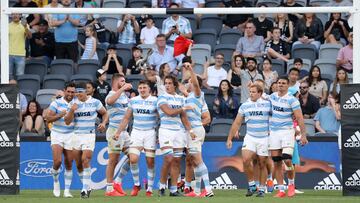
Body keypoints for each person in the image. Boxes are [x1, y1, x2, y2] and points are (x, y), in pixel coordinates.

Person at [114, 80, 158, 197]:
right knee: (133, 159)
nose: (142, 90)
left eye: (144, 88)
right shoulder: (133, 101)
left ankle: (149, 189)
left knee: (150, 162)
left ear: (149, 89)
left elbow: (161, 118)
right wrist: (118, 132)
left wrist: (159, 134)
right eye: (140, 88)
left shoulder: (155, 101)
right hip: (136, 132)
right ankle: (137, 184)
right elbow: (126, 118)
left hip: (150, 133)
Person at [64, 82, 108, 199]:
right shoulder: (73, 103)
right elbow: (67, 122)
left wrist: (103, 123)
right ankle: (87, 186)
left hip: (89, 135)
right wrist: (72, 111)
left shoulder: (95, 102)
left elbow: (104, 113)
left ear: (86, 92)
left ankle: (84, 189)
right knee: (78, 164)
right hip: (76, 135)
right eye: (76, 92)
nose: (78, 94)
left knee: (85, 160)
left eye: (80, 92)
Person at [227, 84, 271, 197]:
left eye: (253, 92)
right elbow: (237, 122)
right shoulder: (245, 106)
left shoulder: (267, 104)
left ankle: (262, 189)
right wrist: (229, 138)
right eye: (250, 91)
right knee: (246, 160)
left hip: (264, 138)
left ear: (260, 93)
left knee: (262, 164)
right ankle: (252, 186)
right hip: (250, 136)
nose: (251, 93)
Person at [269, 76, 308, 198]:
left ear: (287, 86)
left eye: (283, 83)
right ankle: (281, 190)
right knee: (276, 162)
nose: (280, 85)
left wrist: (303, 135)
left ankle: (291, 184)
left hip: (287, 132)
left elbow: (300, 118)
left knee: (287, 159)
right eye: (279, 83)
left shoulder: (292, 100)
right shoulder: (272, 97)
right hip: (274, 133)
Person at [181, 62, 214, 197]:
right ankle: (196, 190)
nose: (188, 83)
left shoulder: (197, 94)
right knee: (193, 160)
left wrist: (191, 70)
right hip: (192, 131)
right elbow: (180, 87)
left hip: (195, 131)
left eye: (190, 81)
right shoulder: (188, 97)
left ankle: (208, 189)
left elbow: (194, 83)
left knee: (198, 160)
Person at [157, 75, 193, 196]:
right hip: (166, 131)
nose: (167, 85)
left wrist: (191, 131)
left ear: (175, 85)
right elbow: (169, 112)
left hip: (179, 132)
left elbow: (184, 117)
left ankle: (173, 189)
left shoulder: (180, 99)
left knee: (177, 161)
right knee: (168, 159)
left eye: (169, 83)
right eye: (165, 83)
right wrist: (182, 108)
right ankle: (161, 186)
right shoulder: (162, 97)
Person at [103, 73, 132, 197]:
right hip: (115, 131)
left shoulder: (124, 96)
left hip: (125, 133)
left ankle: (118, 182)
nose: (124, 83)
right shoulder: (111, 95)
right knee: (113, 160)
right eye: (122, 81)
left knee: (133, 157)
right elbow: (110, 101)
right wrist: (122, 88)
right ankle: (109, 189)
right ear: (115, 82)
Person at [46, 82, 76, 198]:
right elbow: (48, 118)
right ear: (64, 91)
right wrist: (60, 115)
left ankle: (67, 191)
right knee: (57, 161)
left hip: (71, 135)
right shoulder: (56, 103)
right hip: (57, 134)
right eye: (68, 91)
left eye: (72, 92)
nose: (70, 94)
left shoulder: (76, 103)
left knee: (69, 163)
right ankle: (56, 181)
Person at [9, 13, 32, 80]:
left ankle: (19, 90)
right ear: (10, 15)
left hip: (20, 54)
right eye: (13, 14)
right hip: (8, 54)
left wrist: (25, 26)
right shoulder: (6, 25)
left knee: (20, 76)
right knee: (8, 75)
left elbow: (30, 36)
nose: (15, 15)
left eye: (17, 14)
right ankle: (9, 91)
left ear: (20, 15)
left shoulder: (25, 25)